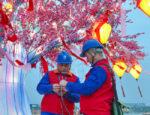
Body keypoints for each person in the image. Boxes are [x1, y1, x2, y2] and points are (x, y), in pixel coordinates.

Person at [60, 39, 115, 115]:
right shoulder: (106, 68)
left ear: (93, 52)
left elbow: (87, 89)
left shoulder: (99, 70)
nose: (87, 59)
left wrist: (67, 84)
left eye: (86, 55)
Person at [37, 51, 80, 115]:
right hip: (48, 111)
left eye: (66, 65)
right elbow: (39, 89)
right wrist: (51, 88)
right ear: (57, 64)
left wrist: (66, 94)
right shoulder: (49, 74)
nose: (63, 68)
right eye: (61, 65)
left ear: (70, 65)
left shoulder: (75, 79)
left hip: (66, 112)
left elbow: (78, 98)